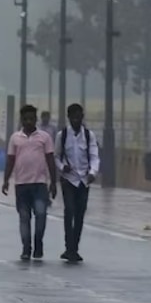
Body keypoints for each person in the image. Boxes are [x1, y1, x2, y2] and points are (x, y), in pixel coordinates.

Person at [3, 104, 59, 261]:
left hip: (39, 184)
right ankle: (26, 247)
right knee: (24, 217)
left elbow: (50, 159)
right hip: (21, 185)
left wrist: (53, 182)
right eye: (25, 119)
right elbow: (10, 160)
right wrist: (6, 180)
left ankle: (38, 243)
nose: (28, 122)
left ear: (36, 120)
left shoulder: (44, 137)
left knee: (41, 214)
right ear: (21, 120)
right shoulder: (15, 138)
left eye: (31, 119)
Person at [56, 103, 100, 263]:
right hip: (69, 179)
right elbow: (56, 156)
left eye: (78, 117)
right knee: (70, 211)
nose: (76, 120)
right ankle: (69, 247)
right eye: (73, 117)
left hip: (83, 180)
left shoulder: (89, 136)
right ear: (69, 118)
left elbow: (94, 156)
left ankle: (74, 247)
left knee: (80, 213)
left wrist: (93, 172)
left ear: (82, 117)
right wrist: (62, 167)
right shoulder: (63, 135)